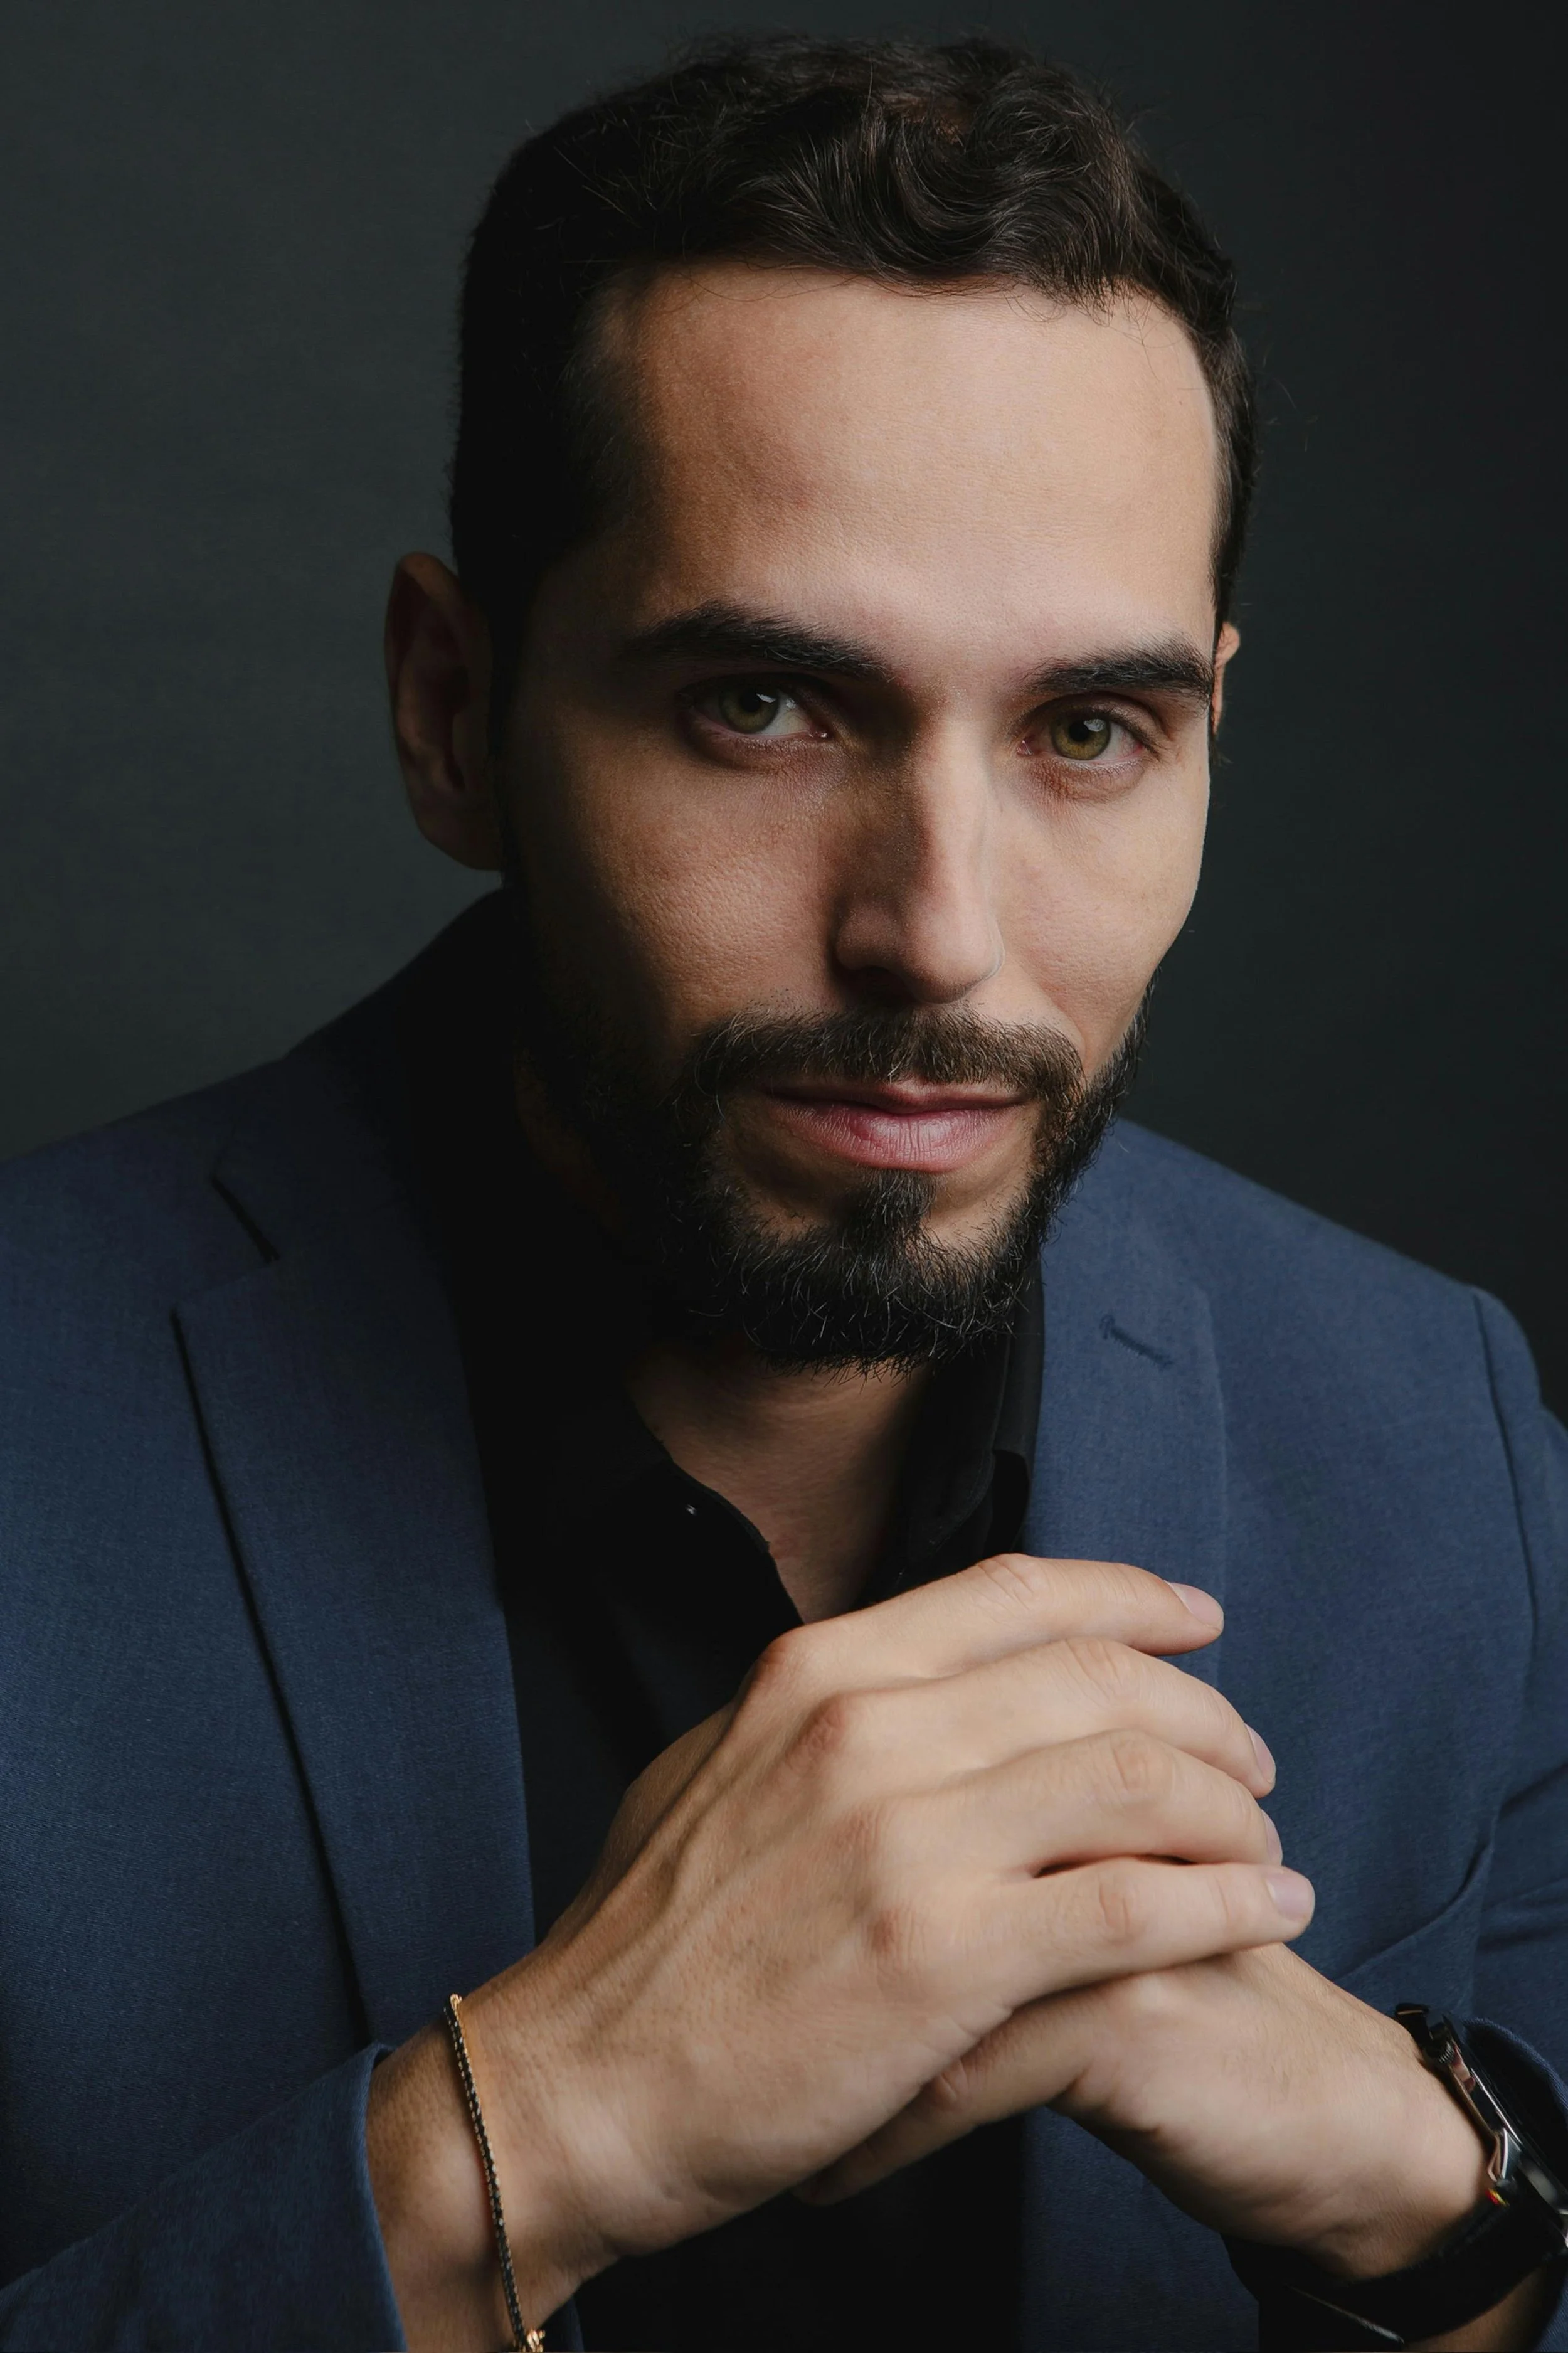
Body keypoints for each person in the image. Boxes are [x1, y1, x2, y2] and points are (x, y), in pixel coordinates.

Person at [1, 34, 1564, 2353]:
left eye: (1087, 731)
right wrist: (530, 2129)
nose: (935, 929)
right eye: (764, 708)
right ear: (454, 707)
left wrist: (1438, 2198)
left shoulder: (1443, 1428)